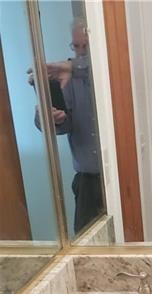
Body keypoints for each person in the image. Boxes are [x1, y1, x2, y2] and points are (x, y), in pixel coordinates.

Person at [32, 19, 104, 234]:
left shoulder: (109, 74)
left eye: (86, 46)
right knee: (84, 244)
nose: (81, 53)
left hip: (120, 179)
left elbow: (100, 65)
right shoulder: (66, 79)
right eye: (76, 46)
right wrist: (50, 119)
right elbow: (64, 124)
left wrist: (75, 66)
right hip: (87, 183)